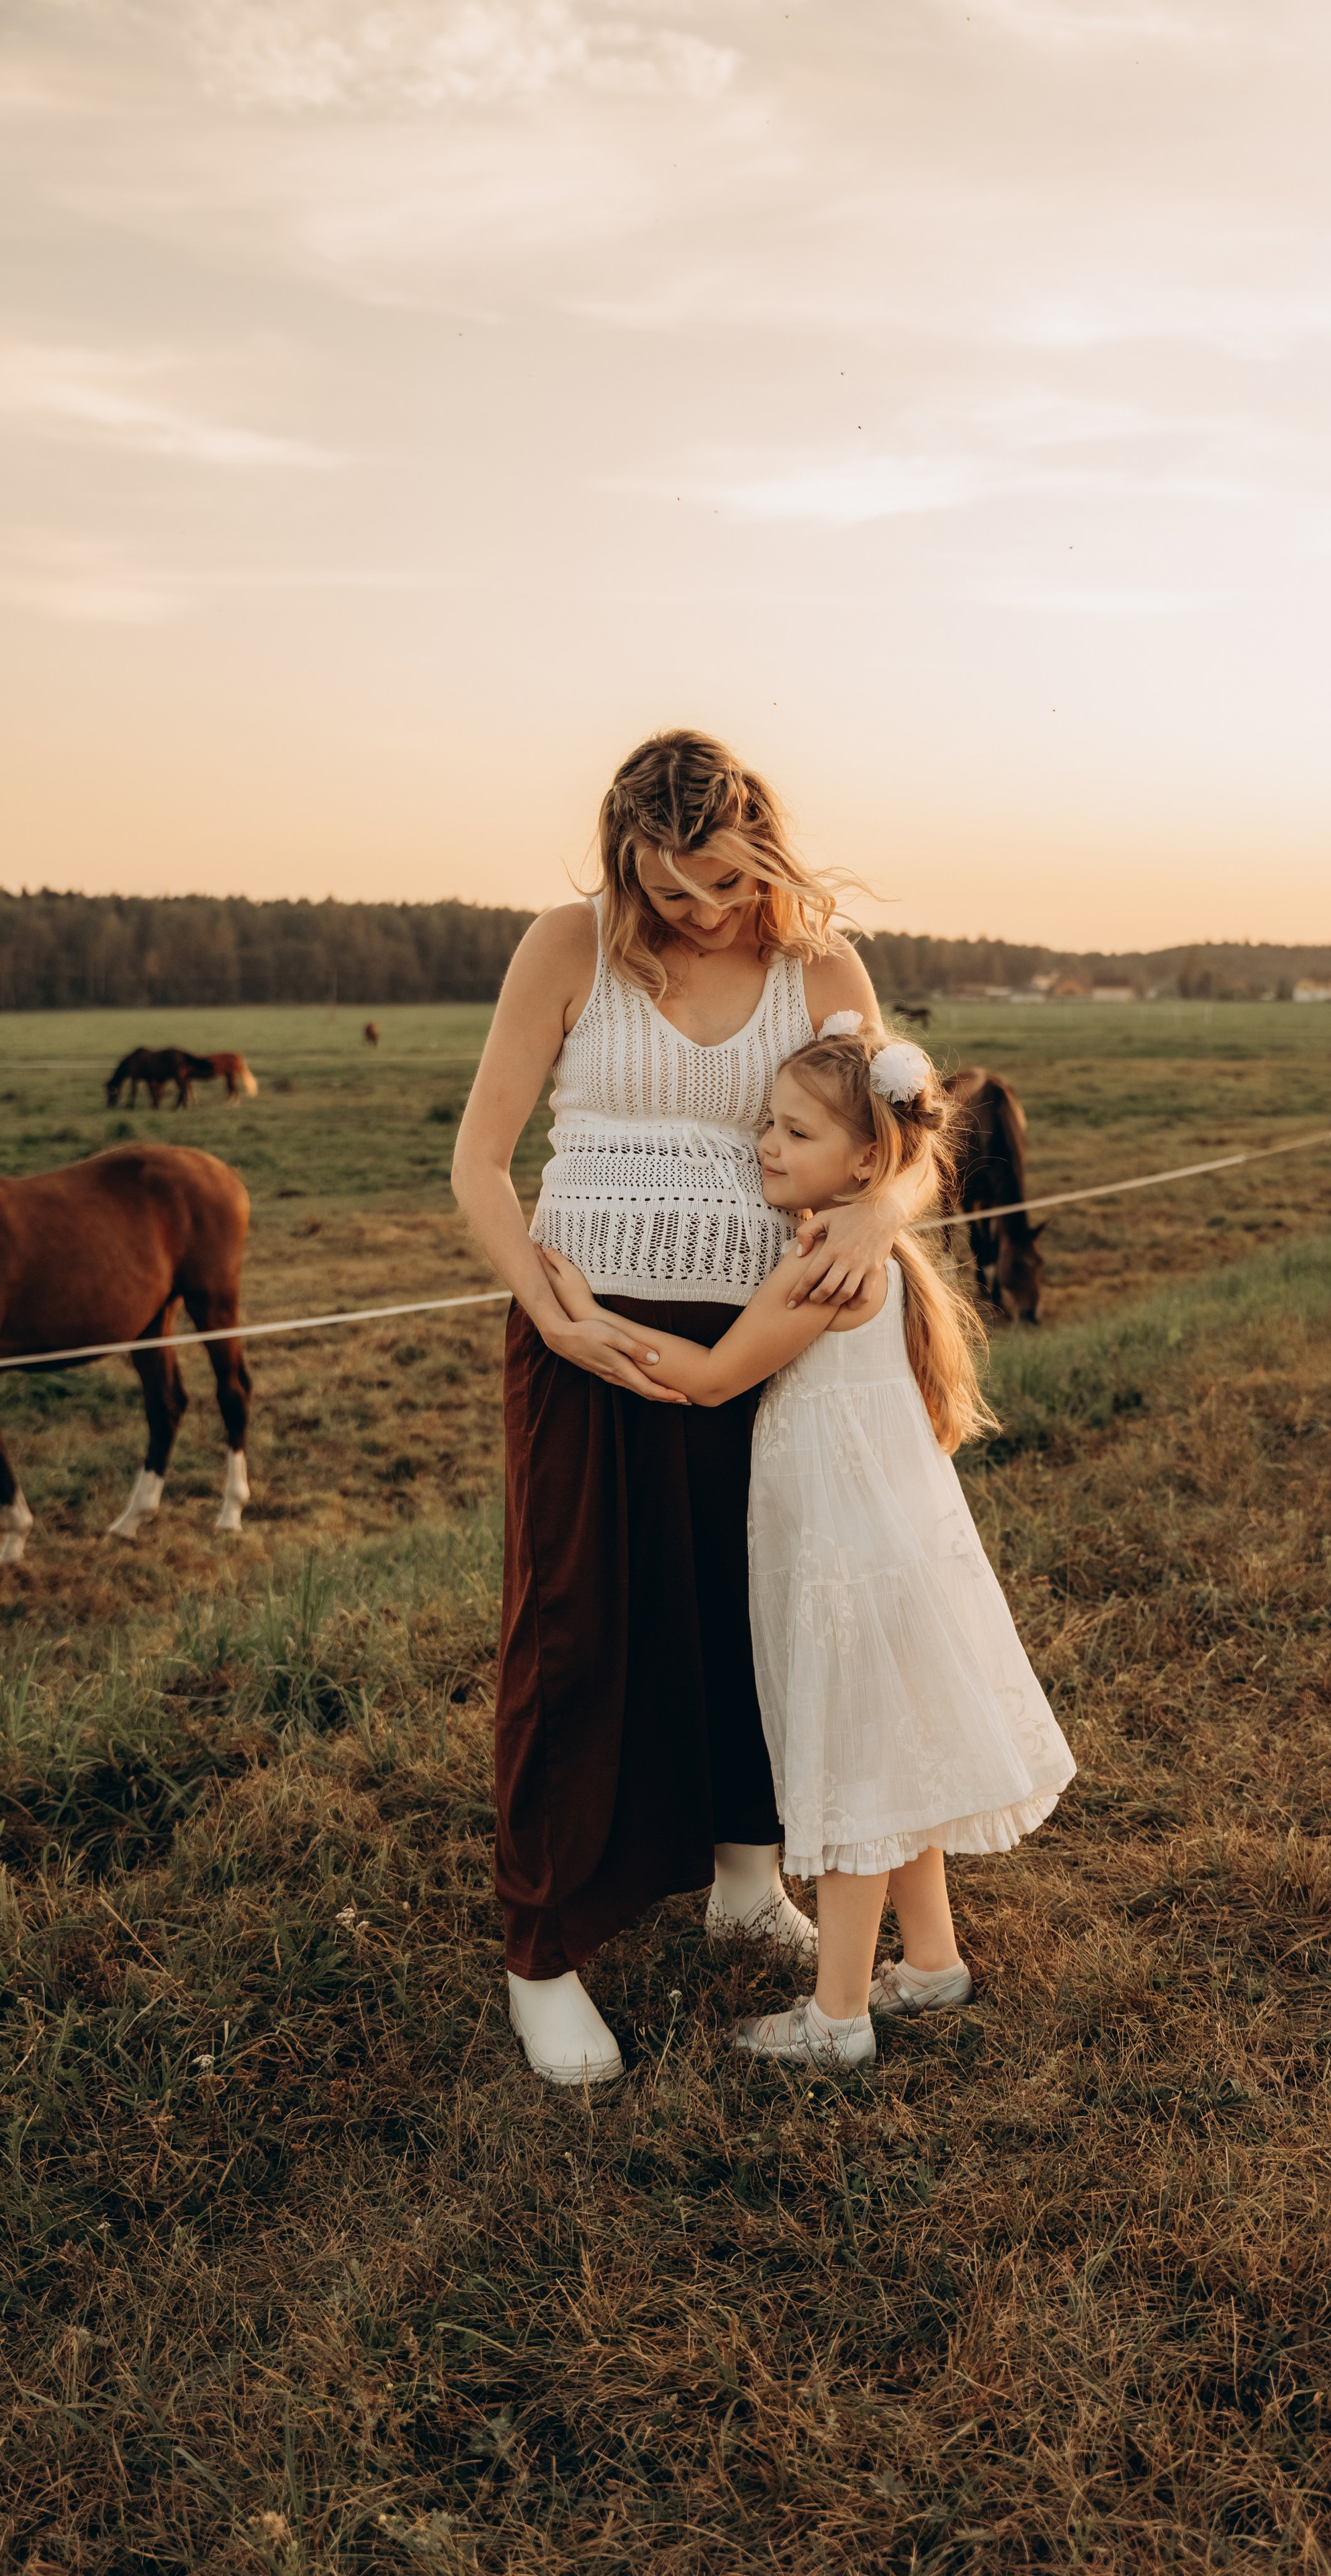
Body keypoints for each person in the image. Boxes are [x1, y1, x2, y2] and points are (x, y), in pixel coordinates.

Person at [451, 731, 919, 2085]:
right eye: (669, 888)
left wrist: (879, 1215)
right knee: (576, 1623)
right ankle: (543, 1951)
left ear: (763, 850)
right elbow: (479, 1160)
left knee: (755, 1605)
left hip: (770, 1336)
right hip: (588, 1333)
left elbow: (903, 1139)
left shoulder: (821, 969)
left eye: (724, 880)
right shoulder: (567, 948)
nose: (703, 909)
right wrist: (547, 1312)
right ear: (623, 864)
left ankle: (744, 1873)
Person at [538, 1022, 1076, 2070]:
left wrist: (587, 1318)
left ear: (866, 1162)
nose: (766, 1146)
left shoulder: (824, 1266)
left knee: (858, 1779)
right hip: (890, 1545)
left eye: (794, 1132)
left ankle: (837, 2017)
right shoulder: (875, 1249)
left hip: (849, 1560)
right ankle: (932, 1959)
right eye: (768, 1124)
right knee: (898, 1757)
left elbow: (711, 1377)